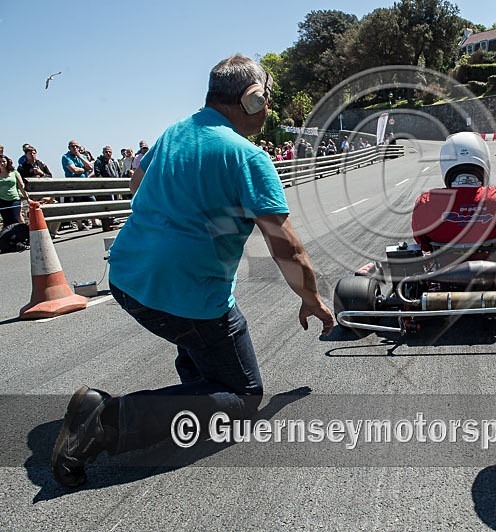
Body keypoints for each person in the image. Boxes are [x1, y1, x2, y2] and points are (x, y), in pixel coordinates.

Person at [51, 54, 334, 488]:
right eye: (267, 99)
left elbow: (135, 186)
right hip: (189, 297)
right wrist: (311, 299)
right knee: (243, 397)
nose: (269, 108)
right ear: (253, 99)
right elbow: (286, 248)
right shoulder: (248, 157)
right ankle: (106, 420)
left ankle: (197, 389)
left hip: (127, 280)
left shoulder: (174, 132)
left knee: (196, 339)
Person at [411, 132, 496, 253]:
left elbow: (423, 243)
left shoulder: (426, 203)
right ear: (484, 159)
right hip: (494, 266)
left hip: (444, 268)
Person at [0, 155, 30, 228]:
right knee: (6, 220)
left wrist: (27, 198)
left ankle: (22, 234)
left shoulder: (14, 172)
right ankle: (8, 238)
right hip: (2, 199)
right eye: (0, 162)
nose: (2, 163)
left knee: (16, 218)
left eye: (4, 161)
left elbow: (21, 186)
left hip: (14, 198)